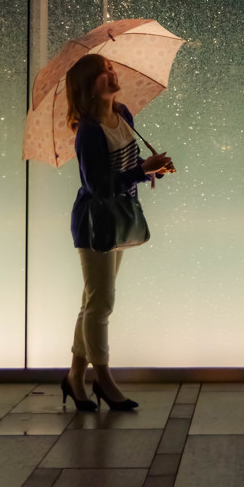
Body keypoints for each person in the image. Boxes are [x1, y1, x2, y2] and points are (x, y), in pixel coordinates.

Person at [60, 53, 174, 412]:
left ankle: (75, 378)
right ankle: (103, 379)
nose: (111, 74)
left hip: (117, 218)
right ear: (88, 88)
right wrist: (143, 170)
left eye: (110, 69)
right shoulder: (89, 131)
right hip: (95, 223)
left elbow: (127, 167)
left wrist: (153, 170)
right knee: (102, 303)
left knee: (93, 301)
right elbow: (98, 187)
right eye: (102, 73)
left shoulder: (123, 114)